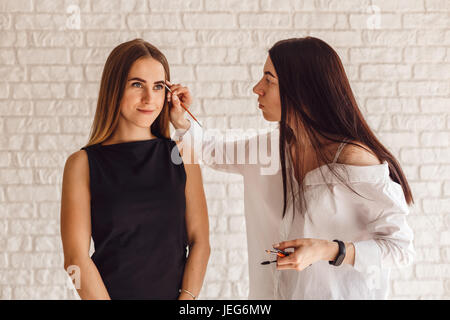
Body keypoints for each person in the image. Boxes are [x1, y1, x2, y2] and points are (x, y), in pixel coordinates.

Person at [167, 37, 415, 299]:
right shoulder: (273, 147)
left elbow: (400, 249)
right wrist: (181, 119)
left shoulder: (354, 159)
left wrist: (329, 250)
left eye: (269, 80)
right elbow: (211, 150)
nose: (256, 88)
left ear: (302, 89)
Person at [60, 39, 210, 300]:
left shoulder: (183, 155)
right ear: (114, 88)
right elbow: (74, 261)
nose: (149, 98)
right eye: (137, 84)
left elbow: (201, 243)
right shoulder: (82, 164)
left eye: (159, 87)